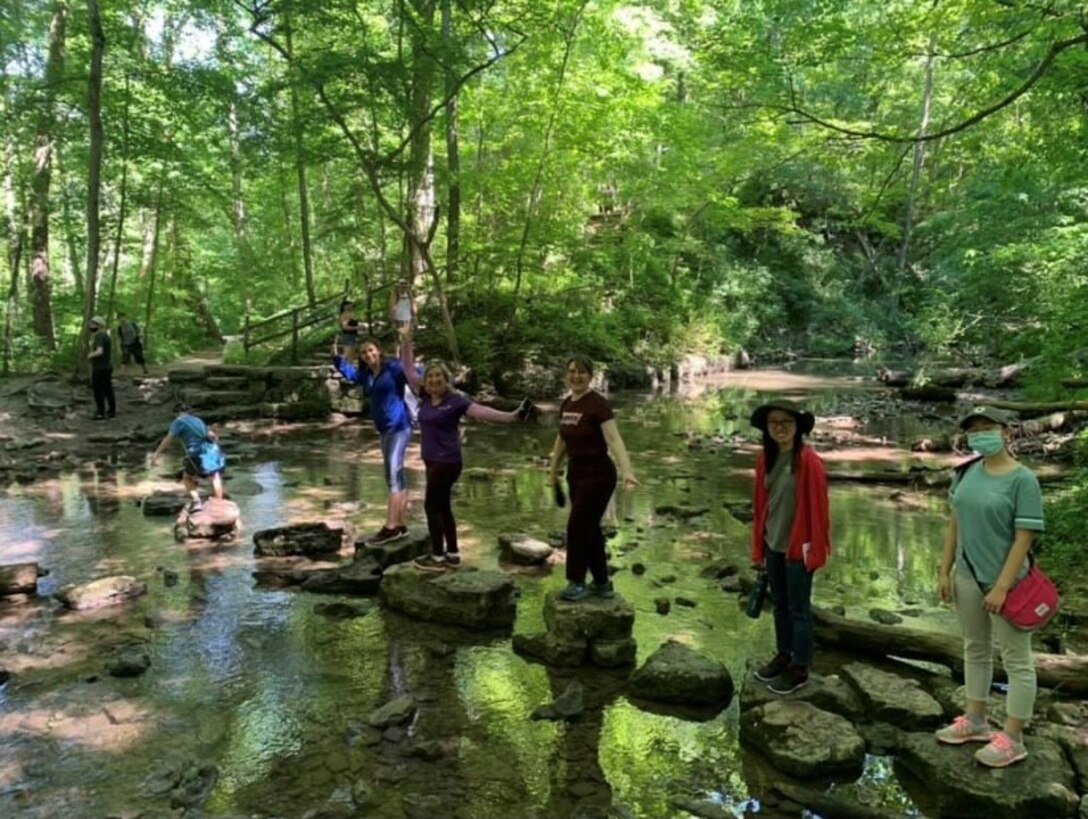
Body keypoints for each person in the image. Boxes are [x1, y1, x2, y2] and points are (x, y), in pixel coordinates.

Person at [935, 406, 1044, 768]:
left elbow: (1023, 538)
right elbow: (955, 523)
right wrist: (943, 569)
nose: (980, 434)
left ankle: (1013, 738)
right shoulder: (965, 473)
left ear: (1006, 433)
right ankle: (976, 720)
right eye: (974, 429)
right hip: (966, 577)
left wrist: (1000, 587)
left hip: (1009, 584)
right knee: (975, 648)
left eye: (988, 427)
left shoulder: (1022, 479)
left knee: (1017, 660)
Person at [400, 328, 532, 570]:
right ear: (426, 381)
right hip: (431, 460)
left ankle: (437, 556)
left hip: (447, 461)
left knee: (431, 506)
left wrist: (511, 416)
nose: (434, 381)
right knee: (443, 506)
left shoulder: (456, 400)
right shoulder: (426, 398)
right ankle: (452, 553)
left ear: (447, 380)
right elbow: (408, 370)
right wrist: (406, 340)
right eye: (430, 378)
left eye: (439, 377)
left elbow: (480, 412)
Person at [749, 399, 829, 695]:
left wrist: (818, 550)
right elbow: (761, 508)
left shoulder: (809, 461)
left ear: (798, 428)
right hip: (773, 543)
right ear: (766, 429)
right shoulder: (765, 460)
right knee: (780, 604)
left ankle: (800, 666)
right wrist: (758, 548)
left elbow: (820, 510)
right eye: (774, 423)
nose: (780, 428)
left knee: (799, 608)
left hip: (799, 548)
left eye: (786, 422)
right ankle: (783, 654)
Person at [548, 355, 638, 601]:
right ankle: (601, 582)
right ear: (567, 375)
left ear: (590, 375)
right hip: (575, 472)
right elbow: (562, 440)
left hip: (598, 472)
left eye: (582, 372)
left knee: (577, 526)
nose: (576, 376)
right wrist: (553, 470)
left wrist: (627, 470)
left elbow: (614, 439)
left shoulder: (598, 404)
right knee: (590, 528)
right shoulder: (566, 404)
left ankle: (576, 581)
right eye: (572, 372)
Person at [332, 334, 412, 545]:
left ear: (379, 349)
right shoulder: (367, 374)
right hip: (385, 430)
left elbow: (413, 374)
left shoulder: (393, 367)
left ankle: (390, 527)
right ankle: (401, 525)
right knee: (395, 477)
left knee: (394, 476)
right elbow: (350, 373)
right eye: (364, 352)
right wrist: (338, 358)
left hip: (399, 427)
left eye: (371, 350)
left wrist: (405, 341)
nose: (368, 355)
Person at [150, 402, 225, 513]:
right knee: (215, 477)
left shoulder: (178, 422)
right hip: (211, 452)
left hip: (195, 453)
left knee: (187, 477)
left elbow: (168, 439)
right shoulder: (198, 420)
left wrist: (156, 454)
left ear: (177, 413)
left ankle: (196, 501)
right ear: (189, 411)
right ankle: (220, 504)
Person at [86, 315, 116, 420]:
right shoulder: (106, 336)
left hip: (100, 368)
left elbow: (100, 351)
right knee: (108, 389)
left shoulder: (99, 336)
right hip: (107, 367)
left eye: (92, 324)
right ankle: (112, 411)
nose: (90, 326)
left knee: (98, 390)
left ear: (98, 325)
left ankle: (100, 413)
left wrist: (90, 355)